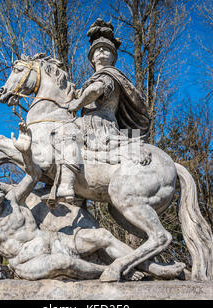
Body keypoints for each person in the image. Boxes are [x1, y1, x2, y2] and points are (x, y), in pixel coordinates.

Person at [0, 123, 184, 281]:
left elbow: (33, 175)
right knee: (64, 264)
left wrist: (26, 152)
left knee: (102, 236)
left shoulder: (13, 199)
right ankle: (119, 270)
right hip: (30, 262)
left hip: (55, 241)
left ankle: (153, 268)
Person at [55, 18, 151, 202]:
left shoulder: (110, 75)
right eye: (97, 49)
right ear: (92, 58)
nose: (101, 51)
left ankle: (67, 184)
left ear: (113, 57)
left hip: (101, 125)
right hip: (88, 123)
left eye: (106, 49)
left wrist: (76, 104)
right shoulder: (89, 80)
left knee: (66, 133)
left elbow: (96, 90)